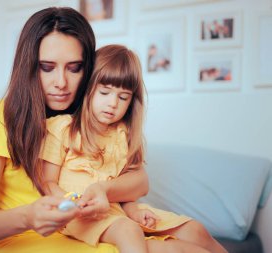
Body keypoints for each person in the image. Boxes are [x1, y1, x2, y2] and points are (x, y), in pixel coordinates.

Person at [0, 7, 148, 253]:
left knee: (186, 244)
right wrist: (28, 217)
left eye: (74, 68)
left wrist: (108, 193)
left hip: (89, 233)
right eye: (46, 67)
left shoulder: (89, 117)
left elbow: (139, 181)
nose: (61, 83)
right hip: (25, 243)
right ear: (28, 66)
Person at [40, 45, 228, 253]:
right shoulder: (63, 128)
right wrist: (71, 205)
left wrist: (135, 210)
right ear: (88, 89)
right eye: (104, 92)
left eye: (123, 97)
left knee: (196, 230)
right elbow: (48, 182)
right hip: (80, 214)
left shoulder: (123, 135)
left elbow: (124, 193)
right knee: (129, 230)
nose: (112, 103)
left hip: (118, 211)